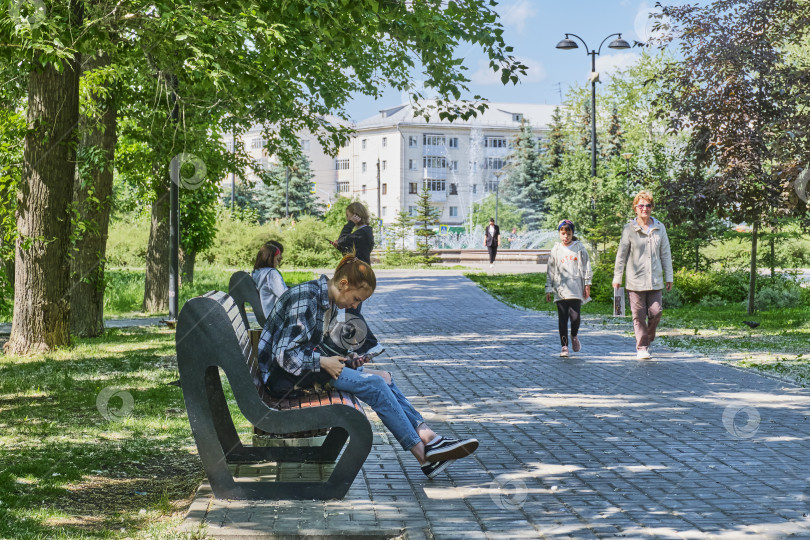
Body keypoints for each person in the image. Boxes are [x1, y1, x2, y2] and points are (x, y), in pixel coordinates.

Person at [256, 253, 479, 478]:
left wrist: (351, 358)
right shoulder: (306, 297)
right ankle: (424, 456)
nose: (355, 305)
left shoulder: (329, 301)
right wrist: (323, 361)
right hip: (286, 380)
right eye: (356, 299)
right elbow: (284, 355)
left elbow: (319, 346)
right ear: (343, 284)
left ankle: (429, 436)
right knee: (374, 385)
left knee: (384, 377)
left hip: (308, 371)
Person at [612, 190, 673, 360]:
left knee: (656, 311)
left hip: (655, 280)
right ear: (635, 208)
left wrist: (669, 277)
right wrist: (617, 278)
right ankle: (642, 347)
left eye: (648, 205)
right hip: (635, 280)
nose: (644, 208)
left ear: (652, 207)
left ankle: (648, 337)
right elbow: (621, 255)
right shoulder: (629, 229)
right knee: (638, 315)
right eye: (641, 205)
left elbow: (666, 254)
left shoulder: (660, 228)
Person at [330, 201, 381, 355]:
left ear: (356, 215)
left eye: (349, 216)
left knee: (350, 312)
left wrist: (350, 224)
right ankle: (343, 347)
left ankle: (371, 344)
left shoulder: (362, 232)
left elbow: (344, 238)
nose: (347, 220)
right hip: (357, 273)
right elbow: (349, 249)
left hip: (358, 277)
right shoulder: (363, 233)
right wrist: (339, 246)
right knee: (348, 313)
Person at [545, 220, 592, 357]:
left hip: (576, 288)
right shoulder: (556, 250)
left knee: (575, 317)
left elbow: (586, 267)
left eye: (568, 233)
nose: (566, 236)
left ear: (572, 233)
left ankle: (574, 335)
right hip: (560, 290)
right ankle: (564, 346)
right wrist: (548, 288)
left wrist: (587, 284)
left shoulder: (579, 248)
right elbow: (550, 270)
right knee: (562, 318)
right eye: (563, 233)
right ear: (559, 233)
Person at [252, 240, 288, 318]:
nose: (278, 262)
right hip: (277, 316)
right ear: (269, 258)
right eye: (277, 259)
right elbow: (285, 295)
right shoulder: (272, 274)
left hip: (265, 313)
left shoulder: (257, 272)